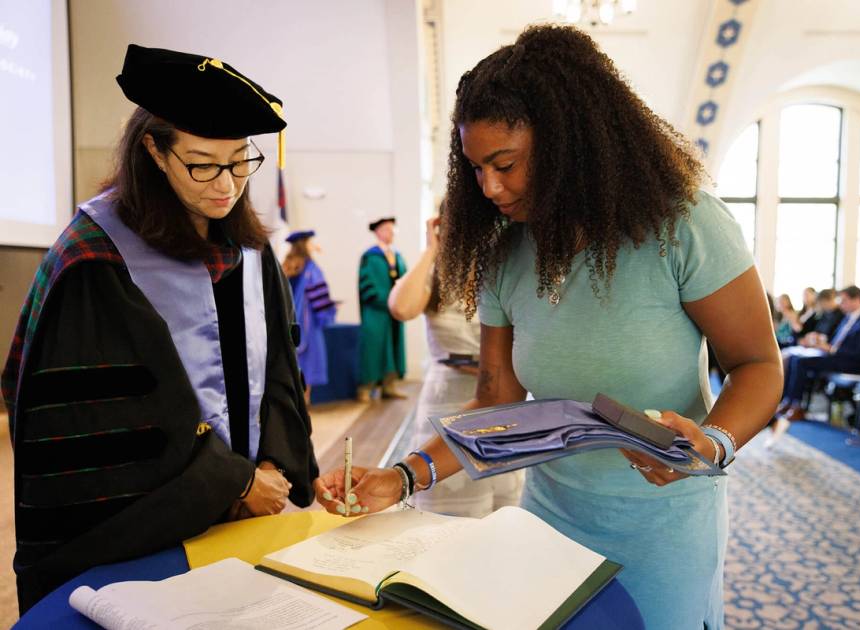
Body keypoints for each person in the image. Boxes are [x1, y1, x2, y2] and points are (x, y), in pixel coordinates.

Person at [315, 25, 782, 629]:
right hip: (550, 519)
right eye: (476, 168)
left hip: (663, 523)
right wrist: (404, 476)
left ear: (569, 144)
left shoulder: (684, 224)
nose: (489, 188)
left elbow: (759, 365)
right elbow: (497, 400)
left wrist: (713, 442)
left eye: (504, 164)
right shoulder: (507, 252)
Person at [2, 44, 319, 611]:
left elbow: (274, 368)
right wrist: (233, 484)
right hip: (138, 545)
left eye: (241, 160)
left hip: (239, 523)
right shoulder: (95, 258)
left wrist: (271, 462)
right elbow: (108, 420)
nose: (226, 185)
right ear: (153, 150)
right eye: (202, 163)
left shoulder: (250, 251)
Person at [387, 214, 524, 517]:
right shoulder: (438, 275)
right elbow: (401, 307)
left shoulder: (507, 273)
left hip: (500, 399)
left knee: (503, 511)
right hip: (445, 397)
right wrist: (431, 250)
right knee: (444, 511)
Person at [774, 285, 860, 427]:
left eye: (844, 300)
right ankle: (788, 401)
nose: (840, 304)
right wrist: (821, 342)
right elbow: (835, 341)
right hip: (838, 357)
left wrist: (832, 349)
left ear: (857, 300)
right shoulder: (848, 319)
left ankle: (797, 406)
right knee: (795, 358)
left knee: (801, 362)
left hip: (851, 363)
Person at [357, 217, 407, 401]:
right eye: (387, 229)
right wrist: (385, 300)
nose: (391, 232)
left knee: (393, 347)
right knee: (373, 348)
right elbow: (367, 285)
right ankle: (365, 387)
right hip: (376, 311)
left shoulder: (397, 255)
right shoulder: (370, 256)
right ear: (377, 232)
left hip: (393, 311)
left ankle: (389, 386)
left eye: (393, 229)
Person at [283, 230, 337, 399]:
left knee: (292, 371)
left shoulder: (286, 266)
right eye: (310, 241)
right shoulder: (311, 269)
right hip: (308, 326)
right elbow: (320, 300)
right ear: (304, 245)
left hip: (288, 323)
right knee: (307, 370)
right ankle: (304, 409)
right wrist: (329, 314)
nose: (313, 245)